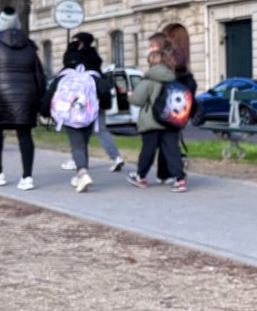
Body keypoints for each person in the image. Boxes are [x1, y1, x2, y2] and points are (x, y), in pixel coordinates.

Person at [0, 7, 45, 190]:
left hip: (0, 95)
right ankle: (27, 177)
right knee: (25, 135)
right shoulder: (30, 47)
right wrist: (38, 98)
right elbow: (40, 76)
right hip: (26, 96)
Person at [60, 32, 125, 173]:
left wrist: (72, 49)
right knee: (100, 129)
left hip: (80, 98)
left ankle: (76, 159)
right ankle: (116, 157)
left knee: (77, 126)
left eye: (75, 42)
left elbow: (67, 65)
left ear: (81, 42)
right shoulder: (95, 57)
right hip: (97, 96)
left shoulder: (76, 57)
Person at [128, 51, 189, 192]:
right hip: (170, 120)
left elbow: (137, 100)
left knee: (148, 150)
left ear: (151, 63)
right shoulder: (173, 78)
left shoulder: (149, 80)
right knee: (172, 150)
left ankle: (141, 176)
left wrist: (130, 95)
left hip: (151, 121)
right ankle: (179, 179)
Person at [43, 47, 98, 193]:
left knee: (77, 145)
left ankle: (82, 173)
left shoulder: (63, 76)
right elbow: (105, 93)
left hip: (68, 115)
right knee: (83, 144)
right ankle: (81, 173)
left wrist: (44, 112)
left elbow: (49, 94)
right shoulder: (92, 76)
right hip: (88, 115)